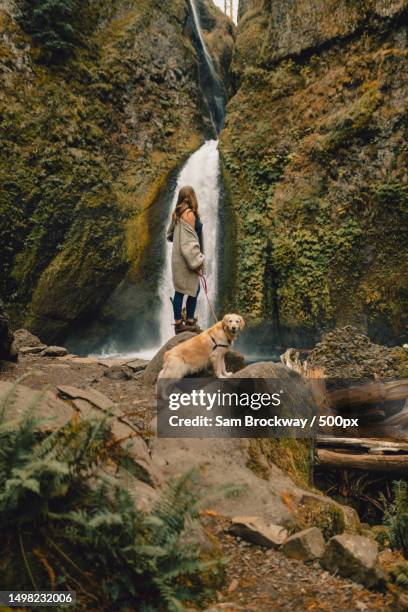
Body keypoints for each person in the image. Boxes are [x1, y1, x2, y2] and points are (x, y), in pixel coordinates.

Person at [167, 185, 204, 334]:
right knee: (194, 289)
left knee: (180, 291)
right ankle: (187, 321)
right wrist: (197, 260)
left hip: (178, 258)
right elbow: (189, 244)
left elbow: (170, 234)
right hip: (187, 260)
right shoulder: (189, 214)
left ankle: (179, 322)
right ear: (192, 197)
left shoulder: (177, 213)